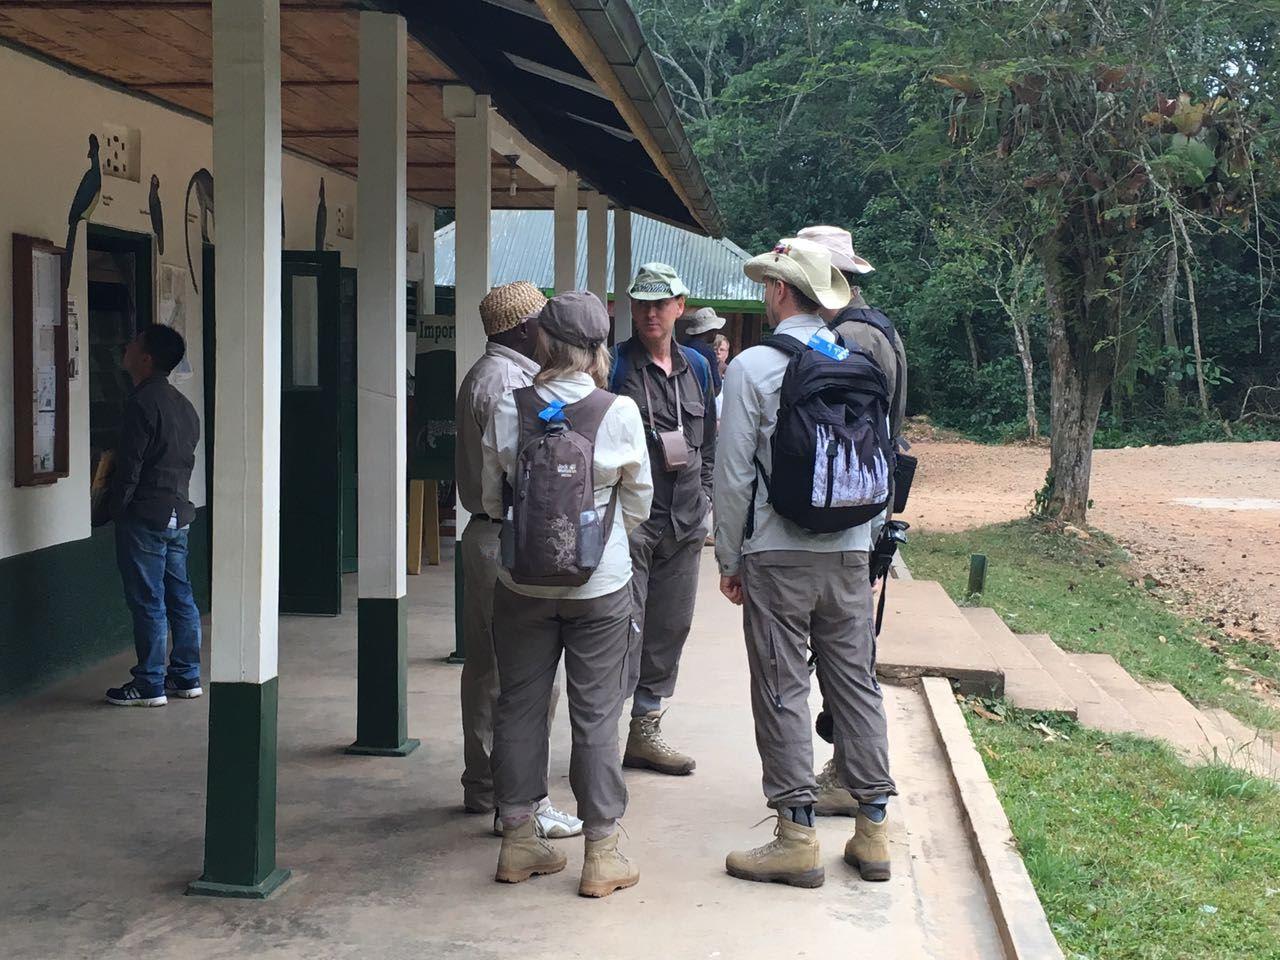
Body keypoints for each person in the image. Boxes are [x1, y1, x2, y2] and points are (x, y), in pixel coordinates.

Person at [716, 238, 897, 887]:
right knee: (856, 684)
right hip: (848, 550)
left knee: (782, 687)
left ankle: (796, 839)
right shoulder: (856, 360)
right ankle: (873, 832)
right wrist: (867, 548)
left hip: (777, 552)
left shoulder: (751, 367)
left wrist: (729, 556)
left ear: (779, 290)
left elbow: (733, 476)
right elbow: (881, 463)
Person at [482, 291, 653, 899]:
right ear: (599, 348)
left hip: (521, 582)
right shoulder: (618, 410)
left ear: (543, 341)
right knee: (597, 713)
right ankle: (601, 853)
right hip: (599, 585)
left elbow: (492, 495)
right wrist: (597, 538)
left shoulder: (510, 405)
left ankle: (518, 841)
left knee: (519, 706)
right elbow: (639, 502)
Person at [455, 281, 581, 839]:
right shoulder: (509, 383)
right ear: (527, 329)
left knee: (488, 670)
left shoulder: (485, 374)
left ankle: (486, 785)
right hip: (509, 533)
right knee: (525, 677)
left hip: (485, 533)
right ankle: (522, 798)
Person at [797, 225, 909, 819]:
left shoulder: (852, 337)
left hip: (849, 513)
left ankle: (852, 776)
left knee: (846, 654)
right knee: (848, 647)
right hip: (865, 504)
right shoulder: (873, 327)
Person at [609, 263, 717, 776]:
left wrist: (707, 495)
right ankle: (602, 736)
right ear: (631, 307)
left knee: (670, 626)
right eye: (642, 303)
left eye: (661, 303)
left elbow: (710, 439)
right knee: (621, 627)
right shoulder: (613, 367)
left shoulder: (698, 366)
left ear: (680, 306)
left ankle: (645, 729)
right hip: (632, 523)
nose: (651, 313)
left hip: (686, 521)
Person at [104, 325, 203, 707]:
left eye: (133, 343)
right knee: (181, 596)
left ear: (145, 358)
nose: (126, 347)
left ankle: (149, 682)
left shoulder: (141, 403)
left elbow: (130, 466)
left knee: (148, 600)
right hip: (178, 513)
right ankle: (186, 675)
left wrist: (114, 508)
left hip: (144, 514)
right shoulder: (184, 405)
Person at [679, 306, 725, 394]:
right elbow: (715, 389)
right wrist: (720, 369)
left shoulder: (683, 346)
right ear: (711, 331)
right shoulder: (708, 352)